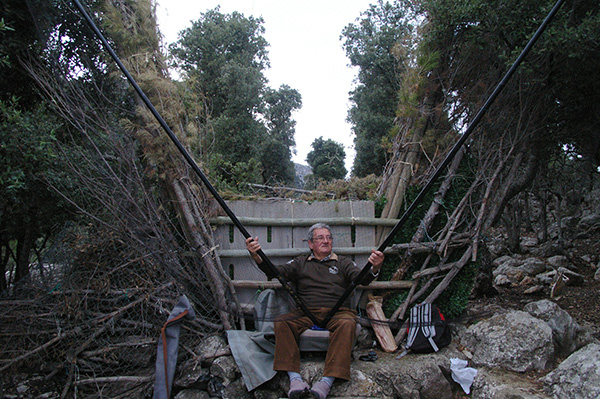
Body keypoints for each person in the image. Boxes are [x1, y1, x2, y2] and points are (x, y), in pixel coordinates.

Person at [245, 223, 385, 399]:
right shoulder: (300, 262)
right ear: (311, 244)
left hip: (338, 311)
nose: (325, 241)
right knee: (282, 322)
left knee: (348, 323)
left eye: (328, 237)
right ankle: (295, 379)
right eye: (320, 238)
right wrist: (256, 256)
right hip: (305, 312)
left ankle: (326, 382)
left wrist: (374, 267)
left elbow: (362, 279)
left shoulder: (343, 262)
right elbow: (276, 272)